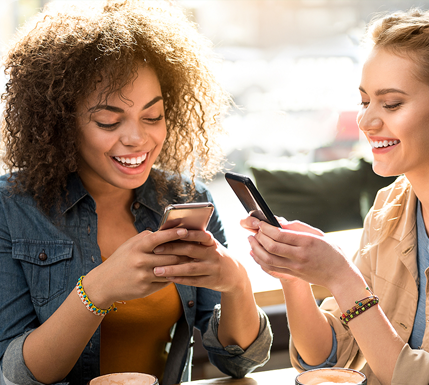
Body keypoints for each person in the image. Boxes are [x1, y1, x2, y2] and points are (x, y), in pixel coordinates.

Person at [0, 1, 272, 385]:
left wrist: (237, 283)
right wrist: (97, 290)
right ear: (60, 122)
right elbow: (13, 375)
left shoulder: (183, 196)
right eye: (109, 121)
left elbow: (238, 364)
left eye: (152, 116)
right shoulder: (10, 208)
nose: (137, 138)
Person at [241, 8, 429, 385]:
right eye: (365, 101)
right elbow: (329, 360)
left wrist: (340, 276)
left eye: (391, 103)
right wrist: (294, 276)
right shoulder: (389, 207)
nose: (366, 122)